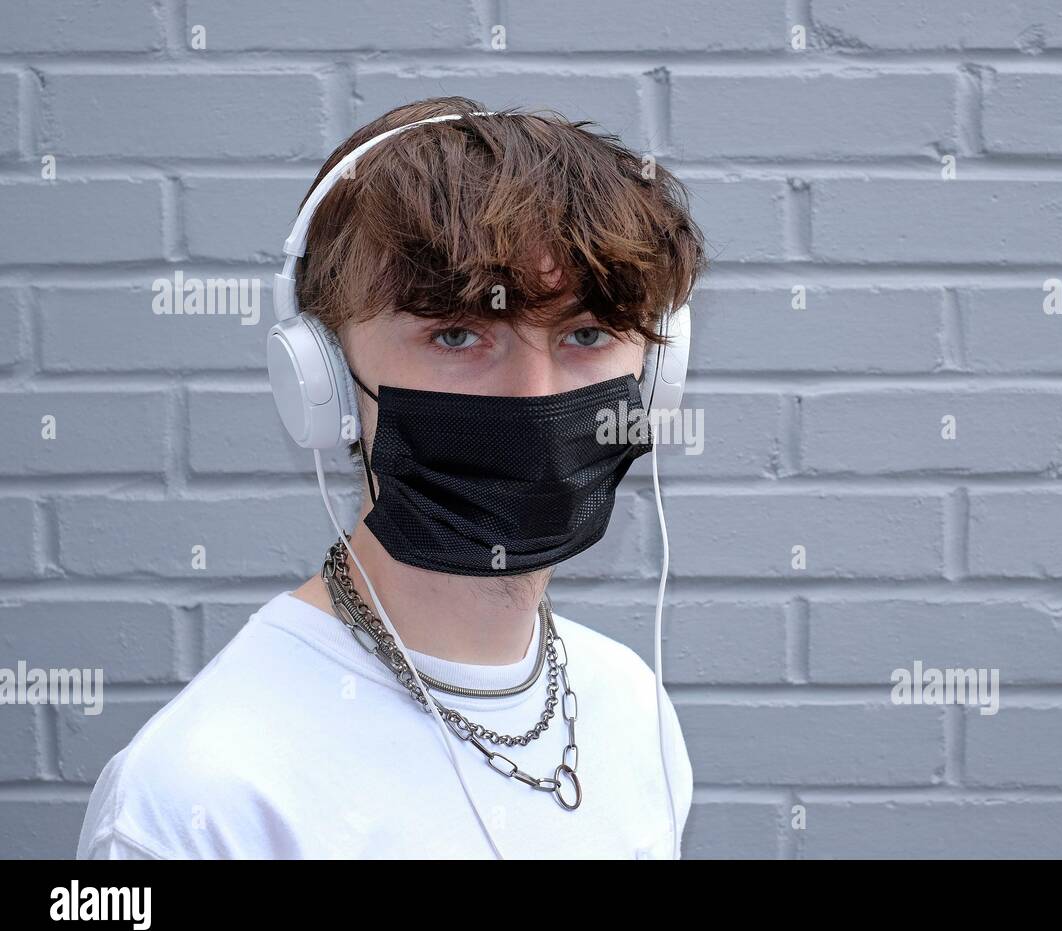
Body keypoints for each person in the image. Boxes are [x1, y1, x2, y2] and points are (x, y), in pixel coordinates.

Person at [76, 97, 706, 859]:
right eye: (457, 333)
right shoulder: (199, 797)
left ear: (656, 371)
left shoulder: (632, 704)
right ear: (325, 379)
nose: (538, 397)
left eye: (587, 333)